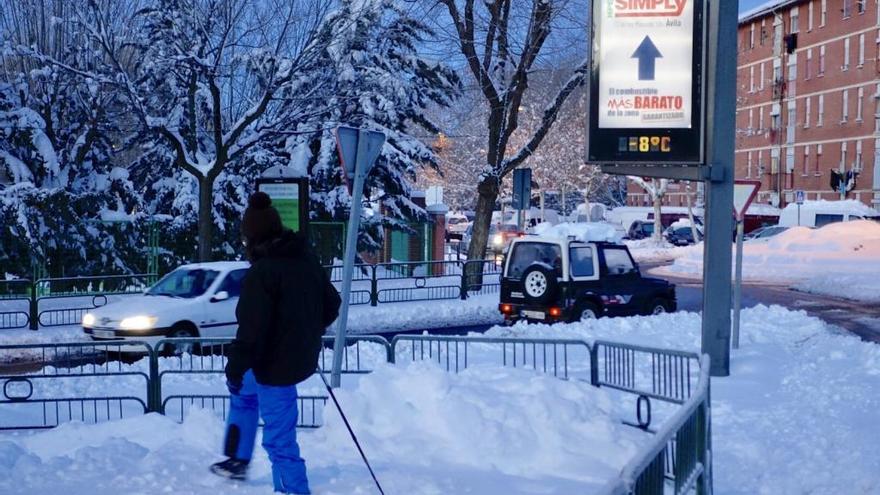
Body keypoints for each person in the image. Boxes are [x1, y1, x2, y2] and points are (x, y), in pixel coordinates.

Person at [210, 192, 341, 494]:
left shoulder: (263, 272)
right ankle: (237, 459)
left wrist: (235, 367)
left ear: (252, 237)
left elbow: (251, 329)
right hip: (277, 360)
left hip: (276, 369)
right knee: (243, 394)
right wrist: (305, 331)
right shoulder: (304, 259)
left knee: (278, 440)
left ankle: (294, 490)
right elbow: (331, 303)